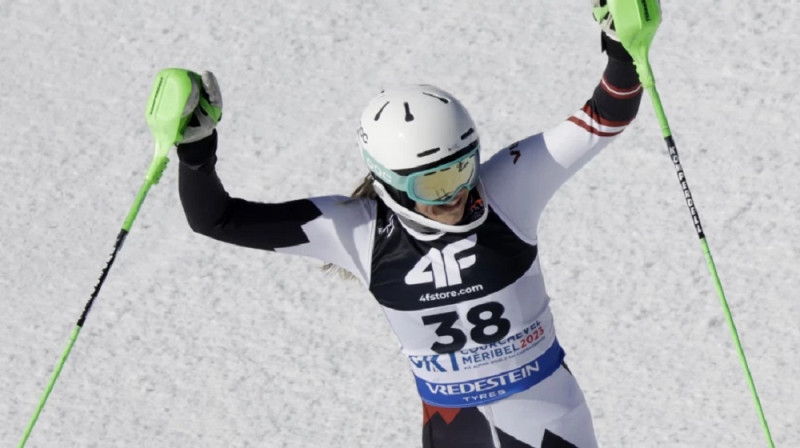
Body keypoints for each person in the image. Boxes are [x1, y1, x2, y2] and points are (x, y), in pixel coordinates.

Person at [172, 3, 649, 447]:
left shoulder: (508, 189)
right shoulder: (355, 231)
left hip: (549, 419)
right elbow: (216, 218)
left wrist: (621, 43)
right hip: (456, 429)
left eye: (463, 169)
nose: (456, 194)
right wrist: (196, 149)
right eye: (431, 185)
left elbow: (606, 116)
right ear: (388, 183)